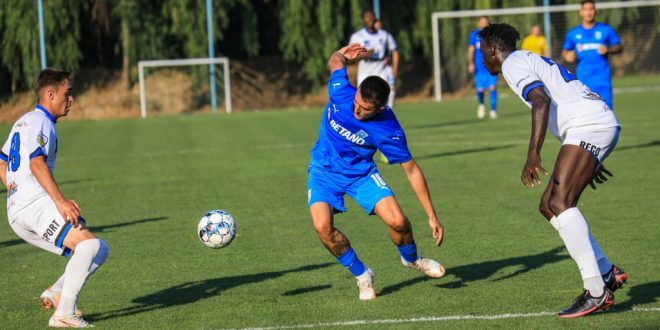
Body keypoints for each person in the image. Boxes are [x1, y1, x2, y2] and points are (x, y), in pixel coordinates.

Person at [478, 23, 627, 318]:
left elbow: (541, 101)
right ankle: (606, 271)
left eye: (482, 50)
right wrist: (588, 156)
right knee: (548, 206)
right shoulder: (527, 59)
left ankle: (596, 291)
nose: (481, 57)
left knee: (560, 203)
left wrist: (533, 153)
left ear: (493, 49)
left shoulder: (513, 64)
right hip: (590, 126)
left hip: (588, 126)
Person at [307, 43, 445, 301]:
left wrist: (431, 215)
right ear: (356, 91)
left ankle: (413, 260)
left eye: (365, 110)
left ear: (379, 108)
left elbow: (412, 170)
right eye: (357, 102)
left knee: (399, 222)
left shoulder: (388, 129)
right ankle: (362, 275)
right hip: (323, 170)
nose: (357, 110)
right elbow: (335, 61)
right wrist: (341, 53)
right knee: (322, 226)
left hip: (361, 174)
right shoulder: (340, 92)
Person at [0, 68, 108, 327]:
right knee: (89, 246)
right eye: (67, 93)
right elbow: (37, 163)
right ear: (50, 94)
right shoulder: (41, 123)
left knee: (97, 249)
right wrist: (59, 201)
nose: (71, 99)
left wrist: (14, 190)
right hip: (34, 206)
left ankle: (57, 293)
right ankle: (63, 314)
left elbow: (2, 161)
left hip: (18, 212)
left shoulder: (24, 120)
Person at [562, 0, 622, 110]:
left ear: (595, 11)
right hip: (583, 81)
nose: (588, 13)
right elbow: (565, 53)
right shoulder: (573, 34)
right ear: (581, 12)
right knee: (587, 114)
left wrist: (608, 49)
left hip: (602, 80)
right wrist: (567, 56)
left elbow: (618, 47)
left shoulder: (606, 30)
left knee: (606, 112)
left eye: (591, 9)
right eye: (585, 10)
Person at [349, 9, 398, 108]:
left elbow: (394, 51)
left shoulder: (384, 35)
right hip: (365, 70)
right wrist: (364, 55)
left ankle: (388, 115)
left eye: (372, 16)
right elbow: (350, 57)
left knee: (389, 91)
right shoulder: (357, 36)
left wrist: (394, 67)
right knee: (363, 98)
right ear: (363, 20)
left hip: (381, 69)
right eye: (367, 17)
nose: (370, 19)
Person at [467, 16, 498, 119]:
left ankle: (493, 110)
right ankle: (481, 104)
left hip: (491, 67)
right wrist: (470, 63)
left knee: (493, 87)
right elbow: (471, 50)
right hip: (479, 68)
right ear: (478, 23)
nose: (484, 24)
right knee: (480, 90)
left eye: (486, 22)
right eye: (482, 22)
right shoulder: (474, 35)